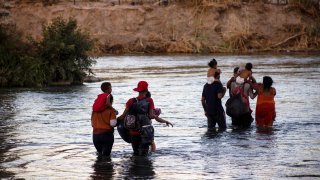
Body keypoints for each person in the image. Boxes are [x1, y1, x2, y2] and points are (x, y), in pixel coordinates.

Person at [118, 81, 170, 156]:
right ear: (146, 90)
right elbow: (151, 116)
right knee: (144, 155)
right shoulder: (149, 100)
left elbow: (123, 116)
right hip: (145, 132)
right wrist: (164, 121)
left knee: (136, 153)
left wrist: (114, 121)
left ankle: (135, 166)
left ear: (138, 90)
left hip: (133, 132)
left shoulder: (130, 101)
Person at [91, 88, 117, 157]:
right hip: (107, 135)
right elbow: (113, 124)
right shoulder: (111, 111)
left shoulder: (94, 111)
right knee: (106, 157)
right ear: (110, 101)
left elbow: (92, 124)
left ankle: (98, 167)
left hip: (95, 136)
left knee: (99, 155)